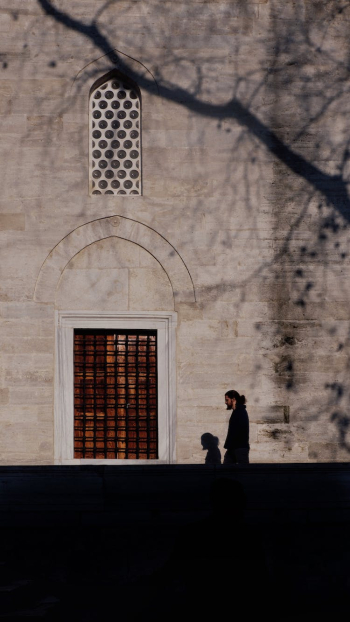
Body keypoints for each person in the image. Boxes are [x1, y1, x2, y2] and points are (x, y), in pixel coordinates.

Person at [223, 389, 250, 464]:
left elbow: (239, 431)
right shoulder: (237, 411)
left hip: (239, 448)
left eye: (227, 400)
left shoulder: (240, 411)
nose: (225, 402)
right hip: (234, 447)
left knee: (243, 472)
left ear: (233, 399)